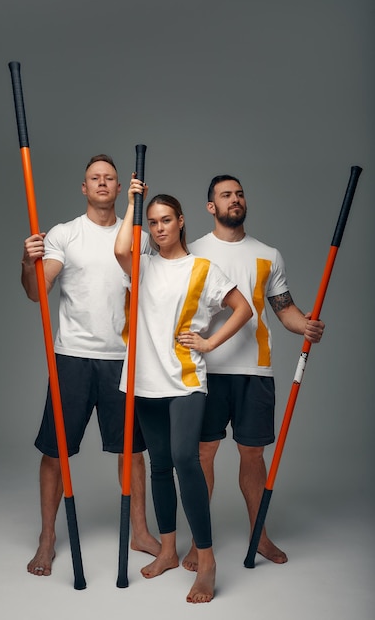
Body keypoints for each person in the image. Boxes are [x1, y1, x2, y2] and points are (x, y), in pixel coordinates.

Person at [21, 154, 160, 578]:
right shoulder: (65, 234)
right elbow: (36, 293)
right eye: (94, 178)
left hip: (124, 357)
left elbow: (158, 291)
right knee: (55, 451)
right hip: (73, 357)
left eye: (109, 179)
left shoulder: (137, 234)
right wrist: (29, 263)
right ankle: (47, 538)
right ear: (84, 188)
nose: (102, 183)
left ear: (121, 189)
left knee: (134, 452)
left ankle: (139, 530)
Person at [114, 178, 253, 603]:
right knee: (158, 465)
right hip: (142, 380)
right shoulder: (142, 263)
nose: (158, 229)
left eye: (166, 220)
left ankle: (206, 560)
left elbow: (243, 308)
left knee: (183, 459)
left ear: (181, 222)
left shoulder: (203, 269)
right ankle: (169, 550)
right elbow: (121, 249)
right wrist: (134, 202)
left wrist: (210, 343)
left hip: (185, 380)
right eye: (152, 222)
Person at [182, 174, 325, 571]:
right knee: (202, 454)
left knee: (253, 454)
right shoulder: (193, 252)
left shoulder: (268, 254)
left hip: (255, 371)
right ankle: (199, 542)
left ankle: (259, 534)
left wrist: (305, 324)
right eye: (226, 195)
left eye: (239, 194)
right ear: (211, 207)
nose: (235, 199)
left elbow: (284, 309)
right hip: (205, 371)